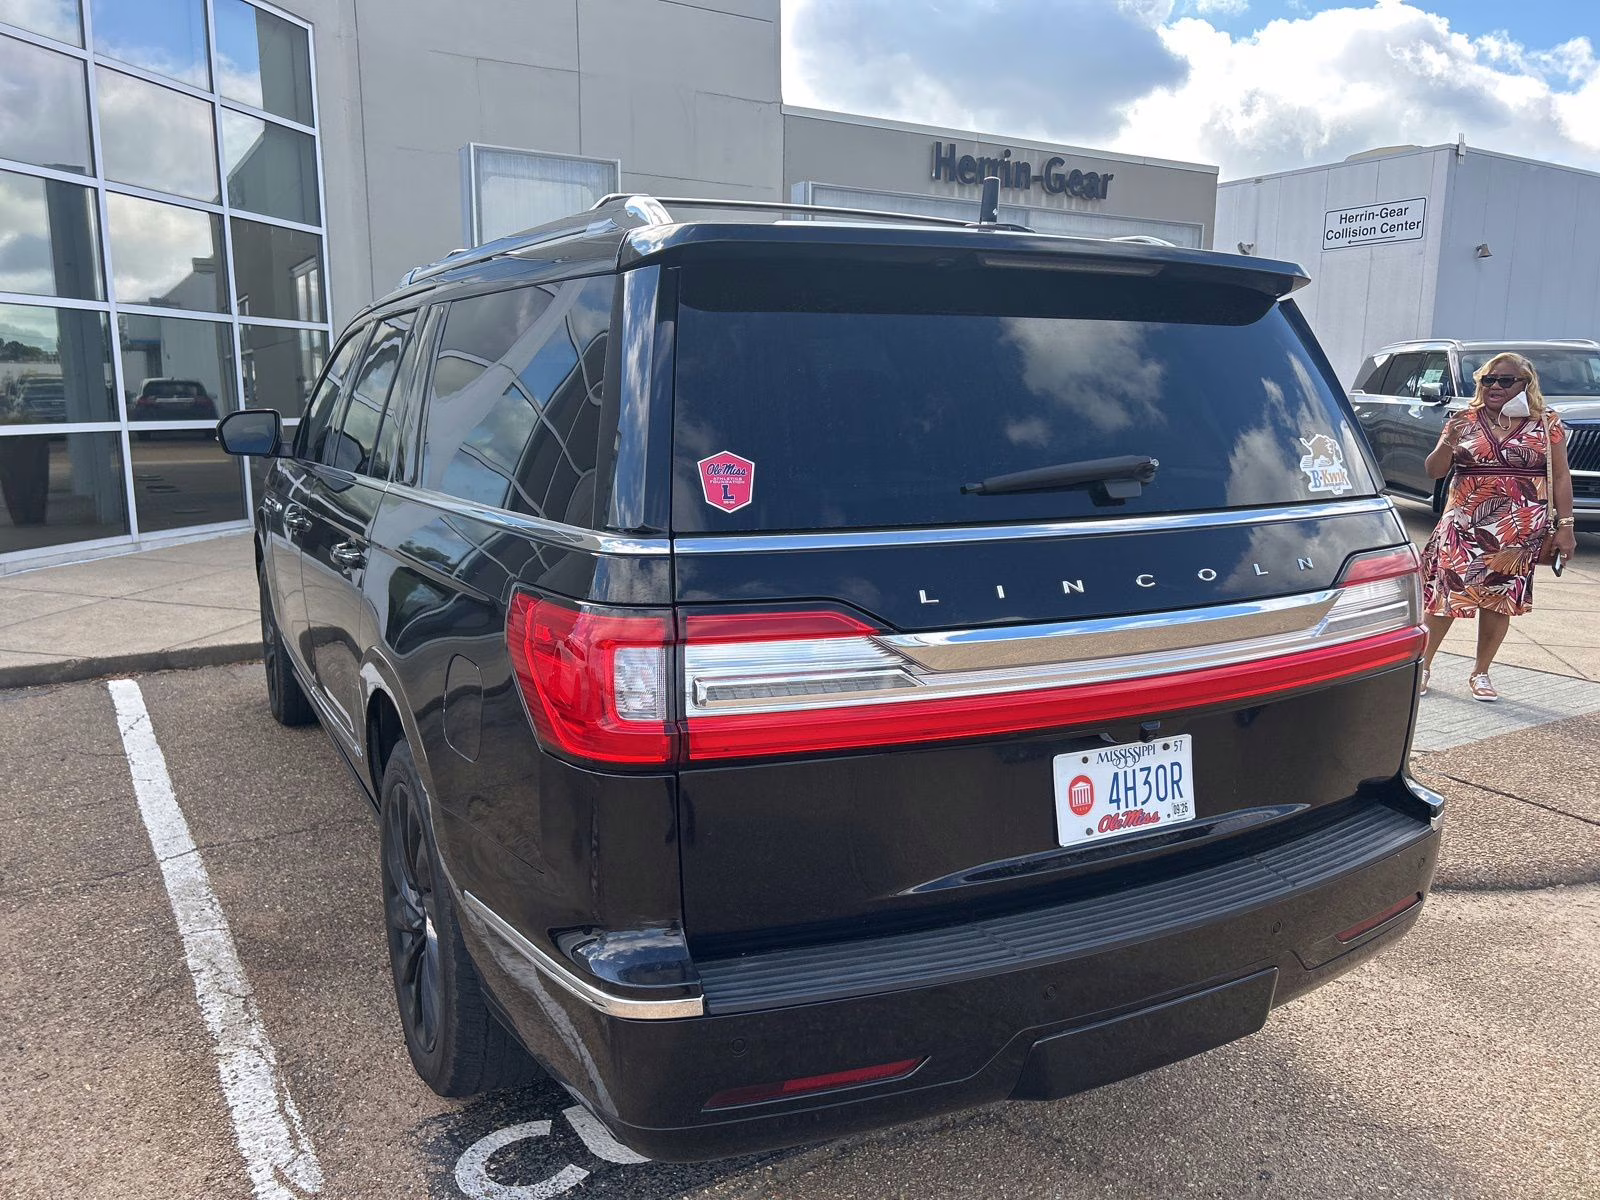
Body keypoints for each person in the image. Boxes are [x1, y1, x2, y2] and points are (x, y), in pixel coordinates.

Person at [1418, 351, 1577, 700]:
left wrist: (1565, 526)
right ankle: (1423, 667)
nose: (1495, 386)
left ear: (1525, 385)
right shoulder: (1463, 419)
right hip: (1463, 527)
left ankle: (1481, 672)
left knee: (1498, 601)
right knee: (1445, 597)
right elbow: (1434, 470)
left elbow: (1561, 476)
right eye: (1488, 380)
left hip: (1518, 530)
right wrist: (1449, 440)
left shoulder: (1546, 422)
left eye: (1505, 380)